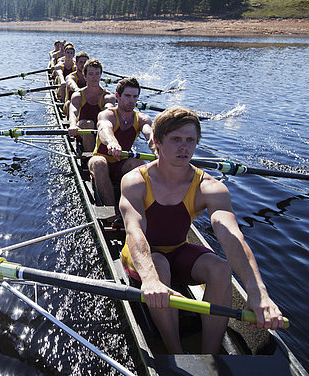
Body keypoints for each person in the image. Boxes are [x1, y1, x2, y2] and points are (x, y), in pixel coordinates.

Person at [119, 106, 284, 355]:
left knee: (220, 268)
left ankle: (211, 354)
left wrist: (257, 291)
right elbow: (134, 231)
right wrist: (151, 279)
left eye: (190, 140)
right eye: (175, 139)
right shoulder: (136, 180)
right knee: (159, 264)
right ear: (157, 142)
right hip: (141, 259)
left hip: (178, 251)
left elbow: (231, 236)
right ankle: (175, 351)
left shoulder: (210, 187)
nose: (184, 147)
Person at [88, 77, 154, 206]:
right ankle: (111, 210)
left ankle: (141, 206)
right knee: (99, 162)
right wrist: (112, 143)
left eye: (135, 97)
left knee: (139, 163)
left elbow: (149, 134)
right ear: (117, 96)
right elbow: (104, 129)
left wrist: (156, 149)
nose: (132, 100)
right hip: (101, 161)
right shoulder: (107, 114)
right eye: (128, 96)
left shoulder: (142, 118)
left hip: (122, 164)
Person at [68, 58, 116, 152]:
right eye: (91, 74)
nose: (94, 78)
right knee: (89, 123)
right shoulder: (78, 96)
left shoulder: (108, 97)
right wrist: (73, 125)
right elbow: (73, 112)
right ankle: (88, 158)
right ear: (84, 76)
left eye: (97, 74)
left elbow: (109, 109)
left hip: (101, 129)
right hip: (82, 129)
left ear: (100, 75)